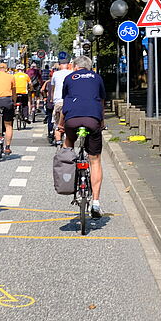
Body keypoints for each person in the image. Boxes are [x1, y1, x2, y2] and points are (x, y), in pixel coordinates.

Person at [59, 55, 107, 217]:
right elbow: (101, 101)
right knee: (95, 160)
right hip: (92, 120)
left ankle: (68, 174)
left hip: (72, 120)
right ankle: (95, 203)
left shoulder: (69, 78)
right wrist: (101, 122)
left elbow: (66, 102)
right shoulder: (97, 78)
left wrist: (60, 125)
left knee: (68, 144)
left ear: (75, 66)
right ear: (89, 67)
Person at [49, 53, 75, 145]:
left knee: (57, 124)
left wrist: (52, 99)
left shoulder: (55, 74)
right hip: (70, 101)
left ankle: (58, 141)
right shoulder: (72, 73)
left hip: (58, 101)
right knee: (69, 123)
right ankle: (67, 143)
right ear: (68, 65)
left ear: (59, 65)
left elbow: (52, 88)